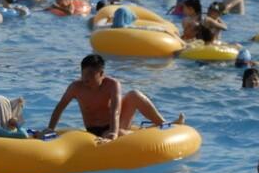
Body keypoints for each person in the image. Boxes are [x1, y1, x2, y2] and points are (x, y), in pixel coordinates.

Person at [46, 54, 182, 140]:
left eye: (91, 74)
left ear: (101, 73)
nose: (86, 78)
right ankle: (147, 130)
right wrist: (50, 129)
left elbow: (115, 110)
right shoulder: (76, 87)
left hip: (114, 123)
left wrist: (113, 133)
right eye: (84, 74)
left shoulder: (112, 84)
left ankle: (163, 124)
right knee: (121, 134)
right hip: (95, 130)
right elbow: (59, 108)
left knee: (134, 94)